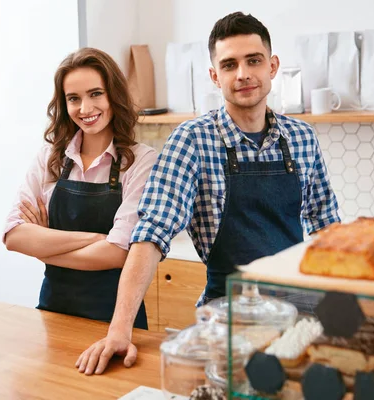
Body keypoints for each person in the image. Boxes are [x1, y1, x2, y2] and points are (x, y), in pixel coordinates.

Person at [75, 12, 340, 375]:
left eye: (254, 60)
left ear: (273, 66)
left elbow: (328, 230)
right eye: (229, 64)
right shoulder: (193, 140)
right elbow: (151, 233)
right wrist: (119, 330)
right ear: (215, 76)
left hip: (301, 313)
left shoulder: (301, 138)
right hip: (228, 317)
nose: (243, 73)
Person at [3, 47, 157, 330]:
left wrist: (44, 245)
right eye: (74, 98)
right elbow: (13, 235)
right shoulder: (50, 156)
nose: (85, 109)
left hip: (116, 319)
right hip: (53, 312)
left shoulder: (141, 161)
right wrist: (98, 239)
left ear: (114, 94)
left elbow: (118, 253)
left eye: (95, 94)